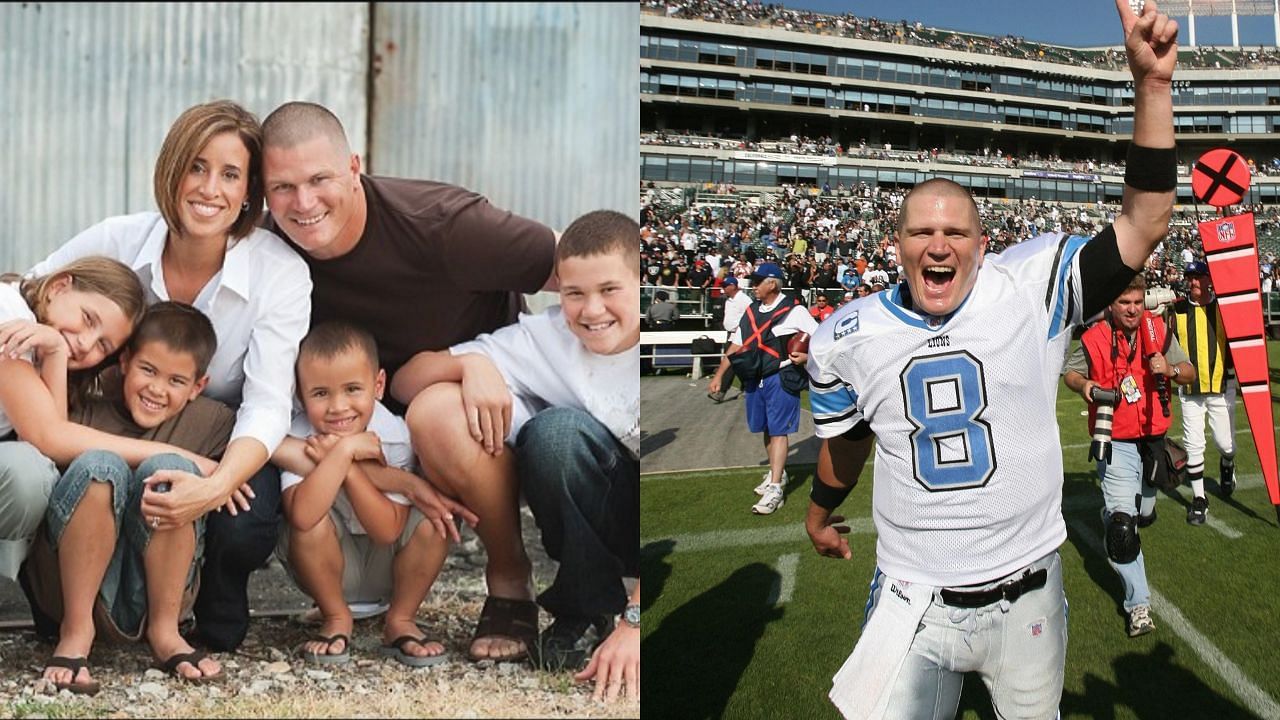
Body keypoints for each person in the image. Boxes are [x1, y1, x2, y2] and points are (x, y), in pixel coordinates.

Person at [803, 2, 1177, 715]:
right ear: (898, 245)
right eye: (921, 232)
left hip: (1029, 593)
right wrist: (820, 511)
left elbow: (1146, 221)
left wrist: (1152, 90)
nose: (937, 244)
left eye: (954, 232)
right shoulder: (845, 335)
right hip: (912, 595)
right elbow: (846, 445)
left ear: (981, 244)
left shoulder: (1029, 286)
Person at [259, 101, 553, 662]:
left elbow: (583, 266)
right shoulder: (267, 249)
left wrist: (486, 358)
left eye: (319, 179)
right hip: (360, 424)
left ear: (354, 166)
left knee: (434, 412)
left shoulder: (442, 224)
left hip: (478, 399)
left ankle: (509, 576)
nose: (303, 203)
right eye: (282, 187)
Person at [29, 100, 313, 652]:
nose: (210, 188)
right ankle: (72, 603)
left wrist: (217, 483)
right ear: (171, 168)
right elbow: (34, 290)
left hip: (213, 434)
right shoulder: (118, 240)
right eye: (197, 166)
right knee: (93, 472)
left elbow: (268, 402)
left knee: (244, 520)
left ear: (250, 191)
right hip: (101, 418)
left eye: (231, 174)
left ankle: (199, 601)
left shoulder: (280, 271)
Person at [389, 210, 639, 700]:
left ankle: (623, 608)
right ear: (557, 291)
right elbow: (404, 381)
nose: (591, 310)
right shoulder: (547, 336)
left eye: (609, 290)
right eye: (574, 294)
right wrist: (472, 364)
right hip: (607, 513)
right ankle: (582, 613)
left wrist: (635, 621)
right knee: (553, 434)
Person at [26, 302, 235, 693]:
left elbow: (280, 445)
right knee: (100, 465)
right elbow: (50, 440)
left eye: (176, 381)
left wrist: (230, 473)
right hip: (69, 587)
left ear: (198, 387)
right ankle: (75, 632)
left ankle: (166, 632)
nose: (157, 389)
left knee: (173, 469)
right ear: (124, 361)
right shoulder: (84, 402)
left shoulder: (213, 421)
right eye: (148, 370)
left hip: (157, 590)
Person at [272, 322, 450, 668]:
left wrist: (350, 469)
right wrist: (344, 452)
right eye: (320, 393)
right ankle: (336, 617)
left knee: (435, 519)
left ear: (378, 385)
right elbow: (304, 517)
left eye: (353, 389)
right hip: (328, 569)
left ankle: (401, 620)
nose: (338, 407)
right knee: (304, 522)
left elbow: (387, 531)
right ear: (300, 395)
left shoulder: (395, 437)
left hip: (389, 566)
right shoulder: (299, 432)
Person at [0, 257, 147, 589]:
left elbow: (47, 448)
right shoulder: (8, 313)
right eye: (87, 318)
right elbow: (50, 438)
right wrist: (181, 456)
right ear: (58, 287)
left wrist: (54, 354)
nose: (84, 343)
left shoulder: (40, 343)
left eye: (102, 346)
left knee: (33, 471)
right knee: (26, 473)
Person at [1063, 276, 1193, 636]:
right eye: (1124, 303)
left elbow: (1189, 371)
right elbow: (1070, 373)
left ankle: (1116, 511)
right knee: (1124, 528)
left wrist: (1169, 370)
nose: (1132, 309)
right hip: (1115, 437)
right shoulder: (1095, 337)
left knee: (1144, 515)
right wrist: (1085, 385)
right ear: (1111, 304)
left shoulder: (1159, 331)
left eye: (1137, 301)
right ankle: (1139, 606)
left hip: (1153, 438)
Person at [724, 262, 817, 515]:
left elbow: (819, 337)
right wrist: (721, 373)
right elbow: (737, 342)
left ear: (772, 283)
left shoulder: (795, 311)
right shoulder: (752, 310)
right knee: (765, 427)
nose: (753, 286)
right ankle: (779, 473)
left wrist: (807, 359)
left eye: (758, 281)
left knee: (778, 431)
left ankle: (776, 487)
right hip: (756, 375)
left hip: (781, 375)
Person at [1170, 260, 1236, 520]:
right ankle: (1199, 497)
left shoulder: (1224, 308)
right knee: (1193, 445)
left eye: (1198, 277)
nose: (1193, 281)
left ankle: (1228, 463)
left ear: (1209, 279)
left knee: (1226, 444)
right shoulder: (1178, 310)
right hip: (1190, 388)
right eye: (1190, 277)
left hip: (1221, 386)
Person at [707, 275, 751, 403]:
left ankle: (721, 391)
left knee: (731, 362)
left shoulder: (744, 300)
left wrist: (742, 328)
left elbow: (750, 316)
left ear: (733, 286)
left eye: (725, 286)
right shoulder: (728, 300)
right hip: (730, 334)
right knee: (737, 364)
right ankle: (747, 387)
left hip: (741, 335)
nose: (723, 289)